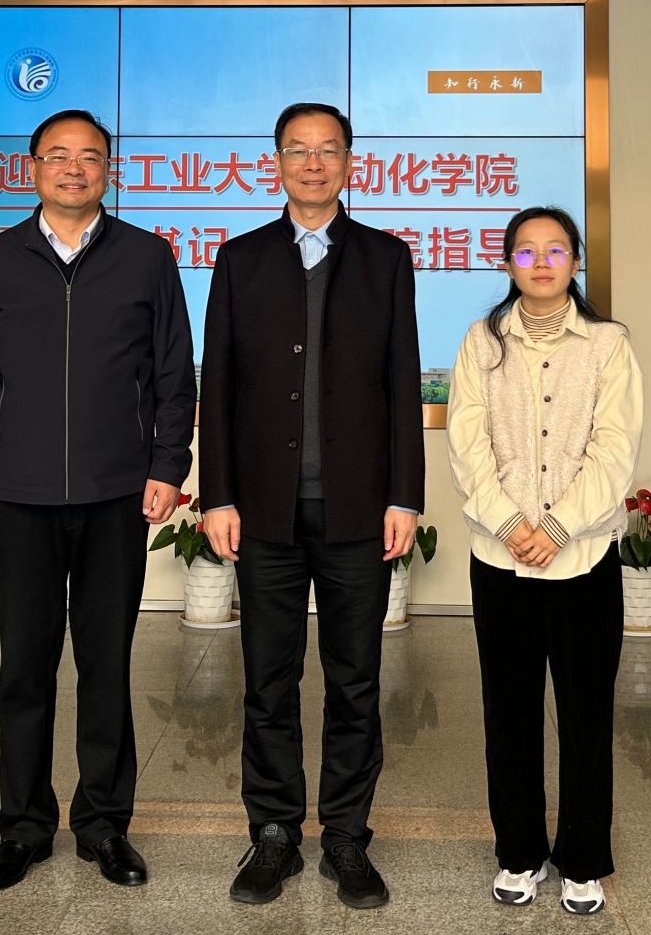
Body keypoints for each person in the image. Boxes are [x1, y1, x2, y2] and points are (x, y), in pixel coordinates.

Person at [0, 108, 197, 893]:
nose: (74, 168)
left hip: (115, 494)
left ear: (107, 169)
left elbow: (173, 373)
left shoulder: (148, 256)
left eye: (89, 156)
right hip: (19, 497)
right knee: (23, 668)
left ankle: (103, 825)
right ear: (33, 169)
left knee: (105, 665)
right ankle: (23, 828)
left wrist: (168, 463)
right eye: (58, 155)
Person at [199, 102, 424, 910]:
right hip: (263, 510)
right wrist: (217, 495)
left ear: (350, 162)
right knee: (268, 679)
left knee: (355, 680)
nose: (314, 162)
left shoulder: (386, 258)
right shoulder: (241, 259)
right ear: (277, 163)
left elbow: (401, 380)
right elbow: (219, 384)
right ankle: (273, 833)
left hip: (359, 509)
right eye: (298, 150)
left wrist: (406, 495)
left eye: (329, 149)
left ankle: (348, 838)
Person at [446, 206, 642, 917]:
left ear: (576, 261)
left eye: (555, 250)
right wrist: (510, 524)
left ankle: (584, 858)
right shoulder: (482, 341)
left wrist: (556, 526)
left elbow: (615, 448)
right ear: (507, 264)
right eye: (525, 251)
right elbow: (467, 443)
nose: (540, 262)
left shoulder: (609, 344)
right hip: (499, 560)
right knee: (510, 712)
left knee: (587, 714)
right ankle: (519, 851)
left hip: (584, 558)